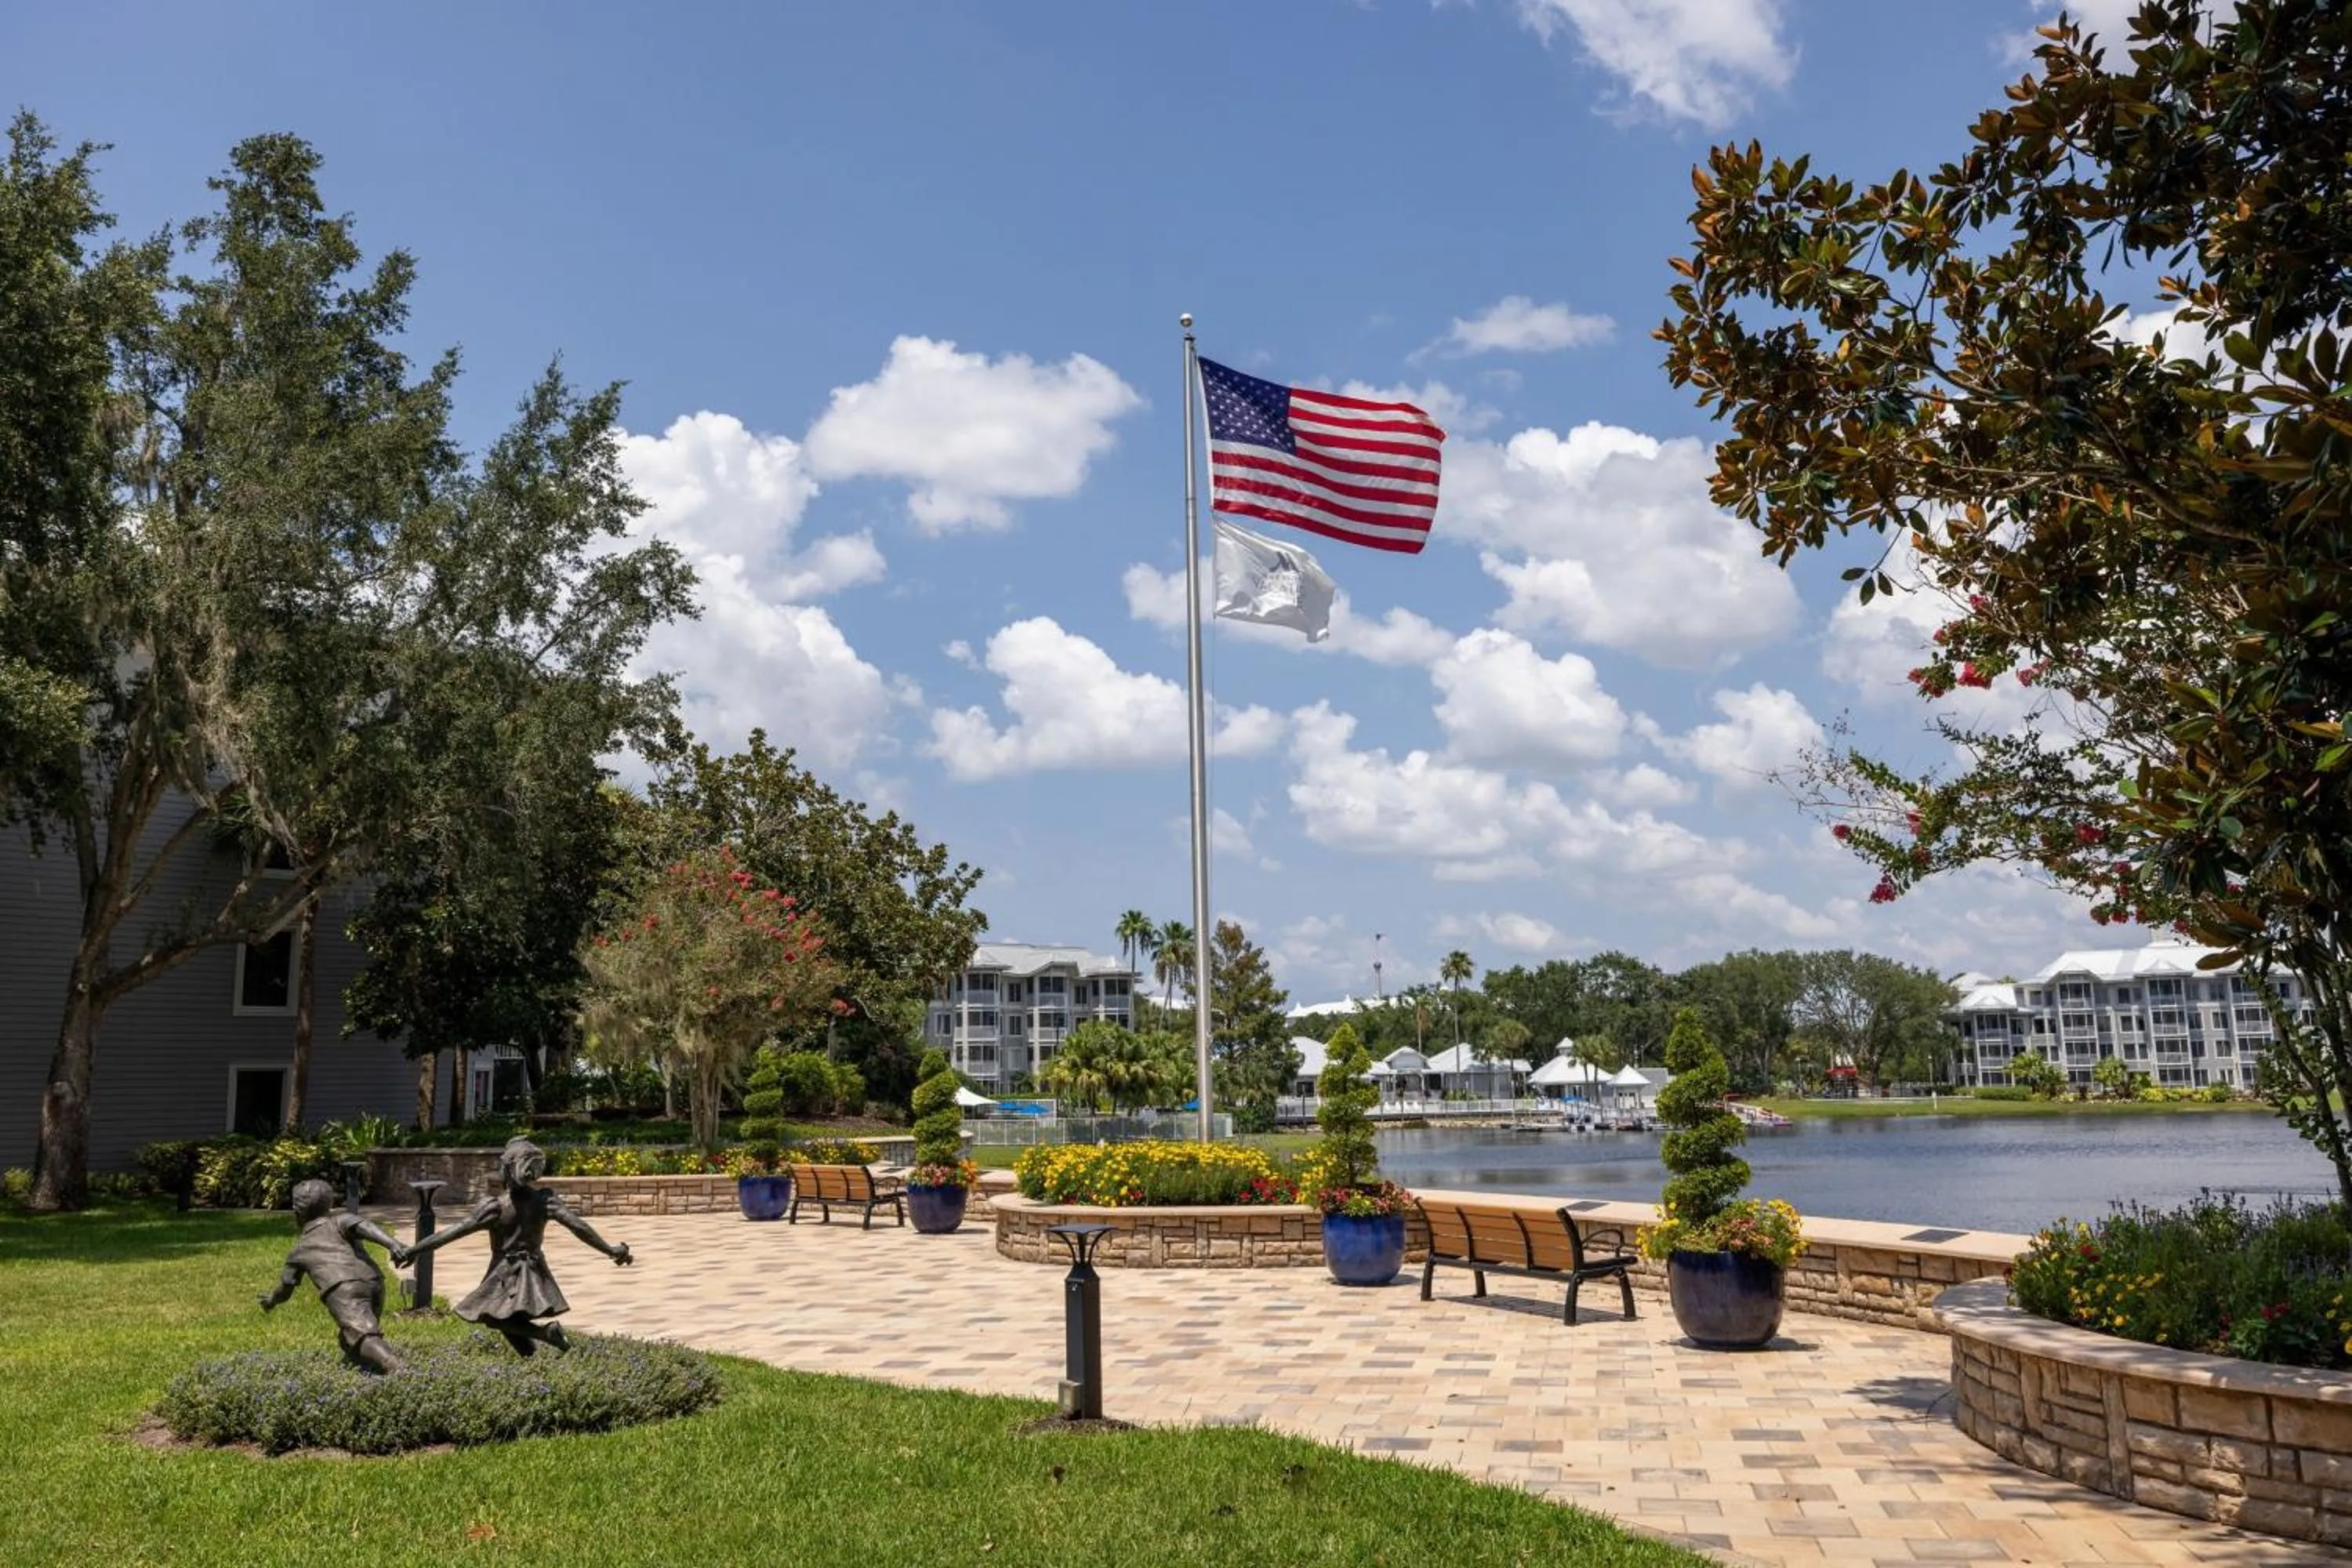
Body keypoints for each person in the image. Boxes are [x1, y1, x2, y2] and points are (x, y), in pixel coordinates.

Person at [394, 1136, 633, 1356]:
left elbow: (452, 1232)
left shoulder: (495, 1207)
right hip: (534, 1268)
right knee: (507, 1317)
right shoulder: (544, 1201)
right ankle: (533, 1359)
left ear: (507, 1169)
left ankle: (546, 1334)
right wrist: (610, 1250)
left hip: (506, 1273)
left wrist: (414, 1250)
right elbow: (579, 1227)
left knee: (493, 1318)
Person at [260, 1178, 406, 1374]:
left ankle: (398, 1369)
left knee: (363, 1336)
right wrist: (392, 1244)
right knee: (351, 1339)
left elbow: (285, 1290)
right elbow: (364, 1227)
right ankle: (360, 1371)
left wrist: (271, 1300)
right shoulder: (340, 1221)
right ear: (330, 1205)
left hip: (343, 1289)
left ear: (296, 1212)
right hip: (374, 1282)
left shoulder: (299, 1251)